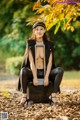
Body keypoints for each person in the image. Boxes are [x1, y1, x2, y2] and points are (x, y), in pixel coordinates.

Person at [17, 21, 64, 106]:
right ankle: (24, 96)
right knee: (23, 70)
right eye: (37, 29)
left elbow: (50, 62)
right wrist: (35, 77)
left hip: (46, 71)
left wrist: (46, 77)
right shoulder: (30, 43)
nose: (39, 31)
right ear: (34, 31)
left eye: (41, 29)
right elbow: (31, 62)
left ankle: (53, 96)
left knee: (60, 70)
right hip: (33, 71)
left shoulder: (49, 44)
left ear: (44, 30)